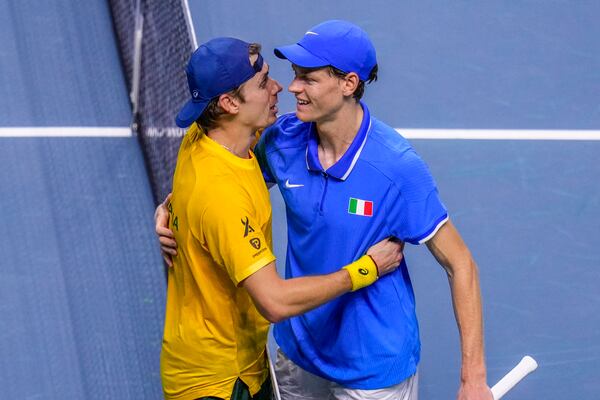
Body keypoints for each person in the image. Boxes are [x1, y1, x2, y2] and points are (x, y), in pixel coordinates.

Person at [158, 21, 492, 399]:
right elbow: (219, 181)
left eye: (308, 78)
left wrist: (473, 379)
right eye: (295, 74)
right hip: (298, 355)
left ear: (349, 84)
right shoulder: (281, 142)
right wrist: (173, 211)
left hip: (371, 370)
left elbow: (460, 263)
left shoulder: (396, 168)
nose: (292, 87)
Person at [159, 37, 403, 400]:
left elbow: (194, 199)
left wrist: (169, 210)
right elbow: (274, 302)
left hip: (235, 361)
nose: (279, 88)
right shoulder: (222, 196)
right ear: (227, 103)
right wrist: (365, 269)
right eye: (262, 84)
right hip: (220, 384)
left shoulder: (202, 136)